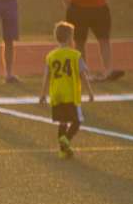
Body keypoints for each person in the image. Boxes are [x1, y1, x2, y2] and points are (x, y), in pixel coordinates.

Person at [37, 21, 95, 158]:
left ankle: (63, 151)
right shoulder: (75, 55)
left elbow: (46, 77)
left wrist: (42, 95)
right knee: (77, 120)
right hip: (70, 94)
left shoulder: (51, 56)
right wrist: (91, 92)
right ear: (70, 38)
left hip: (56, 94)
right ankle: (67, 139)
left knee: (63, 122)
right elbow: (83, 75)